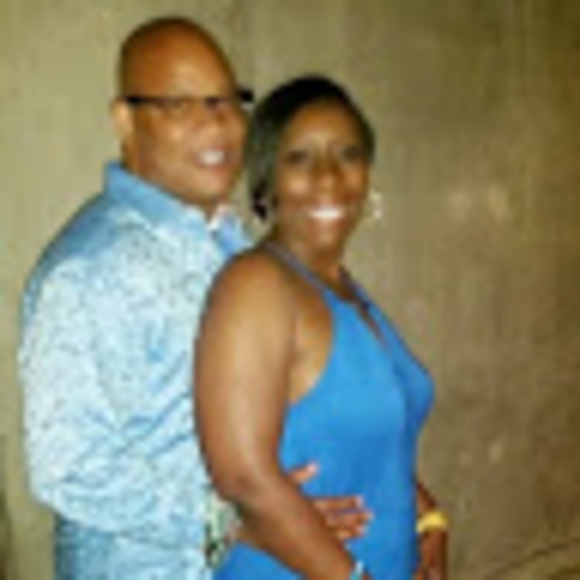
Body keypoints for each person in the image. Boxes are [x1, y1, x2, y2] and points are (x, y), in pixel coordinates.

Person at [18, 18, 370, 579]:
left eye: (228, 102)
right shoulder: (89, 269)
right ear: (125, 120)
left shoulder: (228, 240)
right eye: (182, 105)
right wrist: (228, 519)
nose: (220, 125)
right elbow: (69, 467)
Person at [195, 75, 449, 579]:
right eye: (300, 158)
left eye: (348, 154)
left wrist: (428, 517)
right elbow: (243, 478)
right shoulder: (255, 284)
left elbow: (375, 436)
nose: (329, 176)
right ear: (266, 180)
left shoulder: (344, 290)